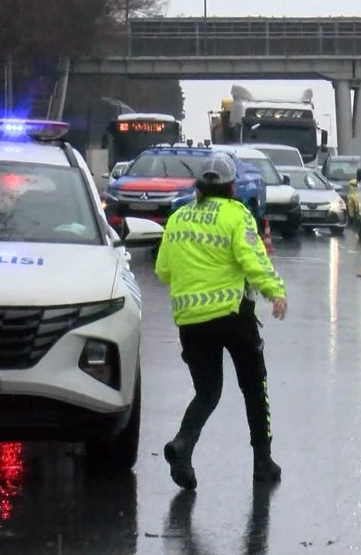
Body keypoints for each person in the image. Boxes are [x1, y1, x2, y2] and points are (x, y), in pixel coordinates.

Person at [155, 153, 288, 490]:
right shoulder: (237, 214)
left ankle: (183, 445)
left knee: (208, 391)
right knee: (254, 388)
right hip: (232, 316)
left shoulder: (178, 218)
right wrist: (275, 292)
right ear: (231, 187)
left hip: (191, 321)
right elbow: (252, 259)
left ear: (199, 186)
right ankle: (262, 463)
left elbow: (163, 270)